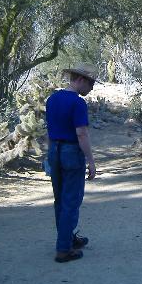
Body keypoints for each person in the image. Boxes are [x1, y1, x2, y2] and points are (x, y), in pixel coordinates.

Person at [45, 63, 98, 263]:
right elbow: (81, 133)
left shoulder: (52, 99)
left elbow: (49, 130)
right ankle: (64, 249)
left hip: (54, 150)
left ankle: (67, 238)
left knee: (60, 199)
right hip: (71, 152)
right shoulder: (77, 103)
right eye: (91, 84)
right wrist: (91, 161)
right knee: (71, 200)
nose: (91, 89)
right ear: (81, 80)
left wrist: (49, 155)